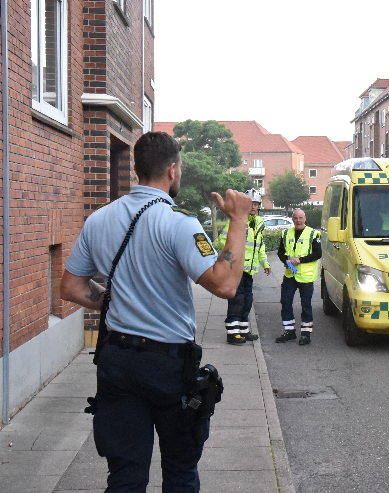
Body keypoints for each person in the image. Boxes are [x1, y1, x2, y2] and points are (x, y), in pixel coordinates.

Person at [60, 131, 251, 492]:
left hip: (116, 361)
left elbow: (71, 287)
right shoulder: (179, 222)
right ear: (172, 170)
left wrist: (117, 300)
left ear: (137, 169)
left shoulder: (99, 220)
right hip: (168, 366)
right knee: (179, 470)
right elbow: (225, 284)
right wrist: (238, 221)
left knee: (125, 476)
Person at [214, 189, 271, 344]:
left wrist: (265, 263)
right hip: (237, 270)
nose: (253, 206)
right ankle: (232, 333)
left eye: (256, 204)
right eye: (251, 203)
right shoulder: (237, 220)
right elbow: (222, 241)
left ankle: (243, 330)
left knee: (247, 300)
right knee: (237, 300)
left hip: (250, 270)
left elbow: (259, 246)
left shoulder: (258, 222)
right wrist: (232, 260)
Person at [275, 208, 322, 345]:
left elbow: (318, 254)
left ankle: (306, 334)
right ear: (292, 219)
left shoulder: (313, 233)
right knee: (285, 301)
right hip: (290, 274)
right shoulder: (285, 233)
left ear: (305, 218)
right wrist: (286, 260)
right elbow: (280, 252)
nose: (298, 220)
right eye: (295, 218)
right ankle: (289, 331)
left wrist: (300, 260)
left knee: (306, 305)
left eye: (300, 218)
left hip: (306, 277)